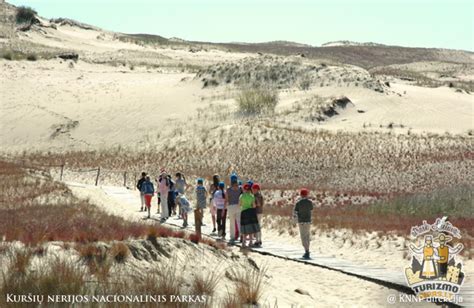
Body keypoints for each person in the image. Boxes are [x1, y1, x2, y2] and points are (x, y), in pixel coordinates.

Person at [293, 188, 314, 259]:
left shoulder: (298, 203)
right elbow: (311, 209)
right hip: (308, 221)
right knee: (307, 236)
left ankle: (306, 251)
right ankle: (307, 250)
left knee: (303, 237)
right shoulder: (310, 202)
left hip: (301, 221)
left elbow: (295, 212)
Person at [239, 183, 259, 248]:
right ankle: (250, 242)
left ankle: (243, 243)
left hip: (243, 212)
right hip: (250, 212)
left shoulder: (241, 196)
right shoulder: (252, 196)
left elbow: (239, 205)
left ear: (244, 189)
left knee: (244, 228)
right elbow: (254, 205)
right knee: (250, 228)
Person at [226, 175, 242, 244]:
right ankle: (241, 235)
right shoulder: (240, 189)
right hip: (238, 206)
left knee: (232, 222)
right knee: (239, 222)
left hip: (231, 206)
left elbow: (226, 199)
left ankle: (232, 237)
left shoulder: (228, 190)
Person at [252, 183, 264, 247]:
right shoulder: (260, 196)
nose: (253, 190)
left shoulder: (256, 196)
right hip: (260, 212)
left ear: (256, 189)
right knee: (258, 226)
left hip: (257, 212)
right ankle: (259, 239)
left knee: (256, 227)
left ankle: (257, 241)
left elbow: (259, 204)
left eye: (254, 189)